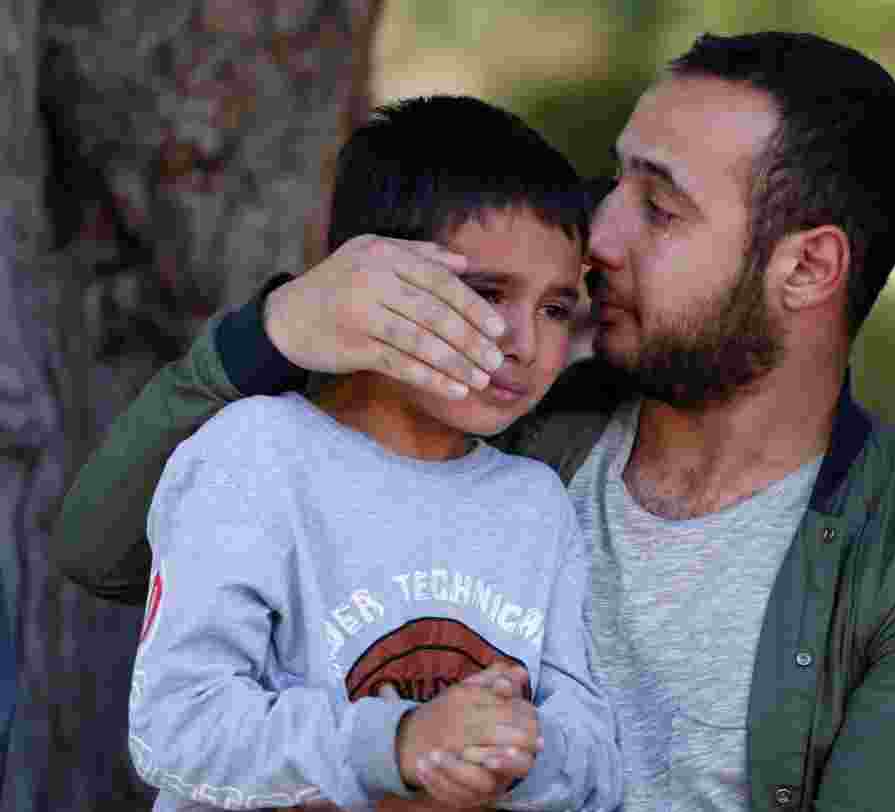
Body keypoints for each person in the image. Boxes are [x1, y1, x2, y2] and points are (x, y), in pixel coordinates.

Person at [55, 31, 895, 810]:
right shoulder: (489, 422)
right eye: (617, 182)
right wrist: (272, 334)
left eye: (660, 207)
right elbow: (104, 550)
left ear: (806, 268)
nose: (596, 234)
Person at [125, 95, 622, 811]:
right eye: (486, 292)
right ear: (373, 278)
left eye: (555, 307)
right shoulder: (254, 455)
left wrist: (505, 751)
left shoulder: (534, 503)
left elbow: (593, 756)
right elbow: (176, 727)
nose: (526, 341)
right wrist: (398, 744)